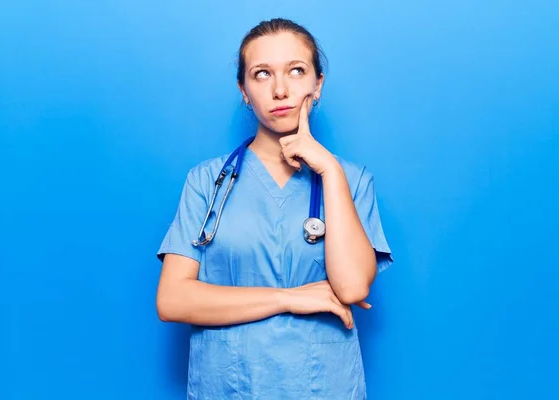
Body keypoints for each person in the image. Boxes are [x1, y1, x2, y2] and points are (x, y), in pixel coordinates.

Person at [155, 18, 393, 399]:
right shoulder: (207, 181)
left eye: (296, 71)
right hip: (229, 387)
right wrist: (289, 298)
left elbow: (350, 287)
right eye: (262, 74)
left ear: (318, 83)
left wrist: (329, 170)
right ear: (244, 91)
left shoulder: (351, 180)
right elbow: (172, 300)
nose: (280, 90)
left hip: (323, 386)